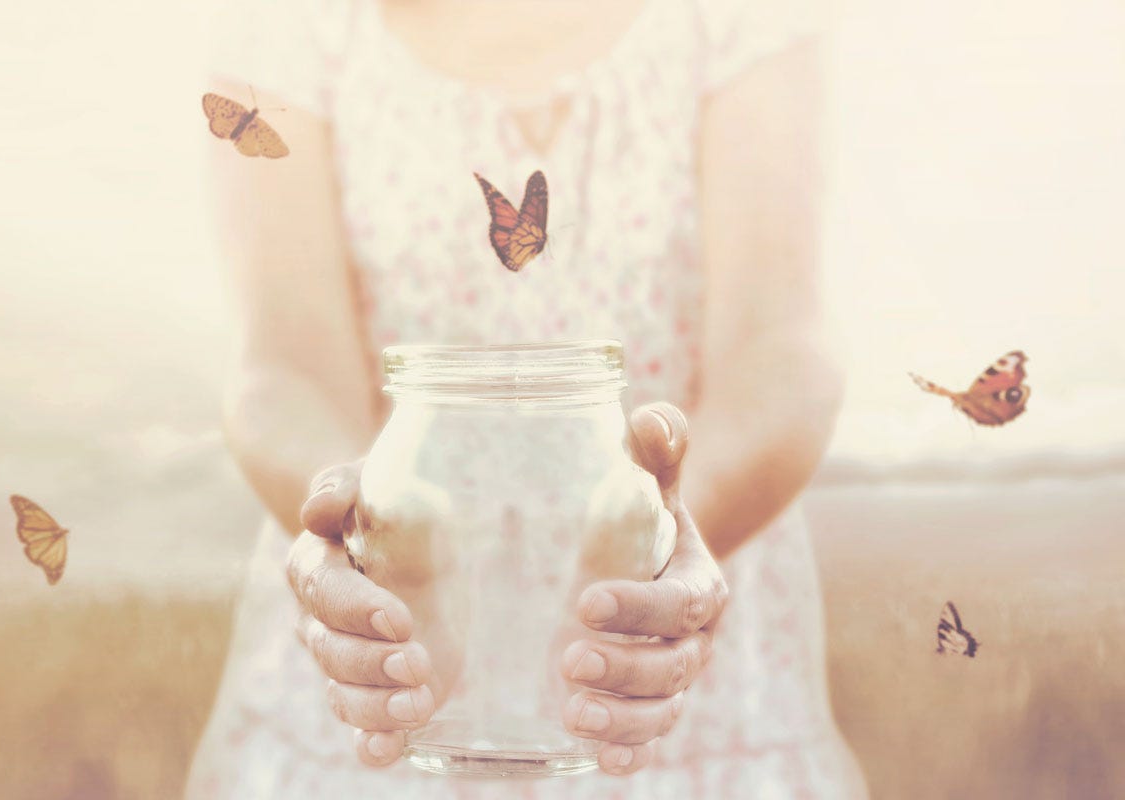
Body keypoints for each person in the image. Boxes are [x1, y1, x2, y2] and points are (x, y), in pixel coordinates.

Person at [187, 0, 868, 797]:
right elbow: (284, 365)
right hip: (383, 661)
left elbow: (779, 344)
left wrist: (656, 545)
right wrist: (364, 542)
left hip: (667, 670)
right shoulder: (286, 28)